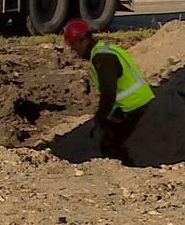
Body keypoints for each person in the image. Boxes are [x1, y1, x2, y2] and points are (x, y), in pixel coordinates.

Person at [62, 19, 154, 166]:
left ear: (83, 40)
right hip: (136, 101)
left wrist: (99, 119)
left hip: (131, 105)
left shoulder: (102, 58)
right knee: (113, 139)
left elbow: (108, 94)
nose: (73, 51)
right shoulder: (104, 49)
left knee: (110, 144)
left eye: (73, 45)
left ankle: (128, 172)